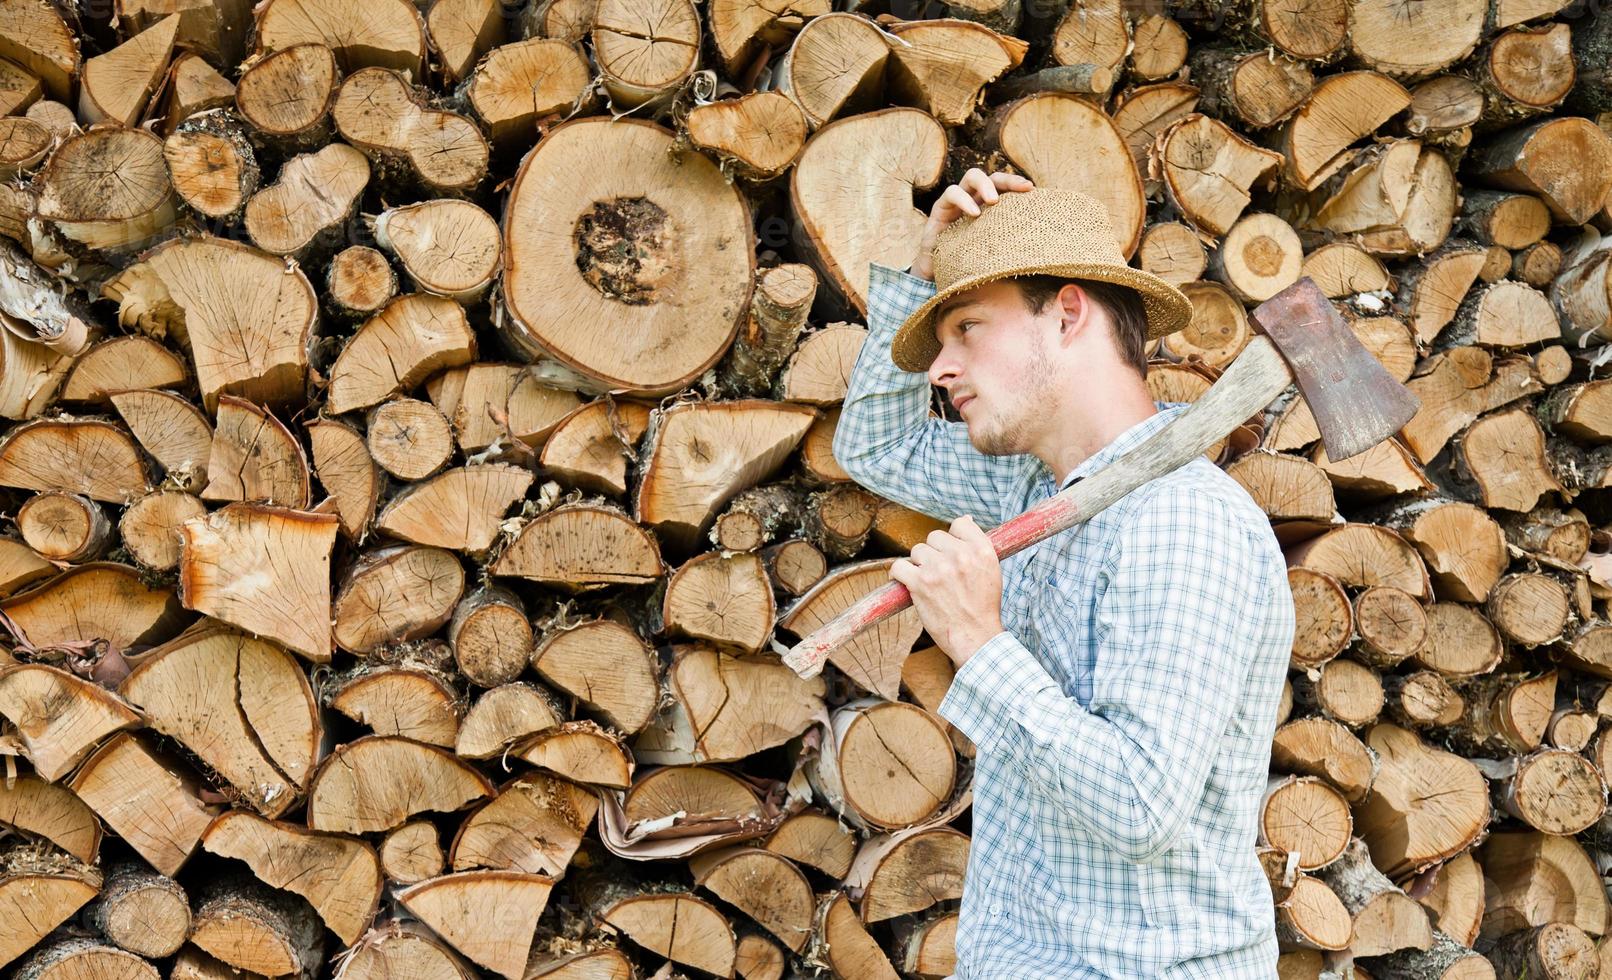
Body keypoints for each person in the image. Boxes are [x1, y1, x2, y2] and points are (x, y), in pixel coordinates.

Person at [832, 171, 1295, 978]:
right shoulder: (1034, 489)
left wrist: (979, 643)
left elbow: (1140, 804)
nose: (940, 370)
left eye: (968, 328)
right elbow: (876, 445)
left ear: (1069, 313)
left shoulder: (1180, 522)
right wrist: (921, 266)